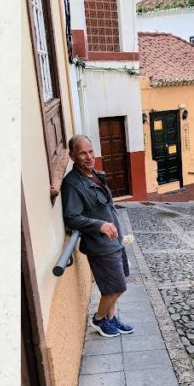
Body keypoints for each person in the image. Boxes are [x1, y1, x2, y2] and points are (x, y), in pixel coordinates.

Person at [60, 134, 134, 338]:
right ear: (73, 156)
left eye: (91, 151)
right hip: (100, 245)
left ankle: (111, 319)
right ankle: (99, 319)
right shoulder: (72, 184)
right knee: (117, 286)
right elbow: (72, 218)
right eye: (83, 153)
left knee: (114, 284)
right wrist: (99, 225)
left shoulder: (94, 175)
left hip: (114, 240)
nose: (89, 156)